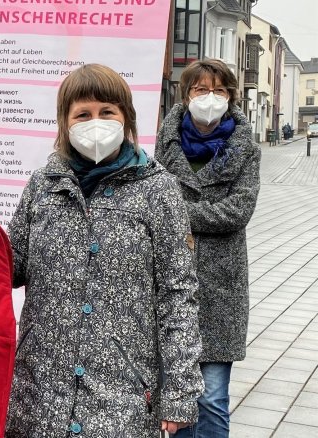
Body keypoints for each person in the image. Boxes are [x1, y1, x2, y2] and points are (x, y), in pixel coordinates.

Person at [0, 64, 204, 437]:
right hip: (39, 390)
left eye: (107, 111)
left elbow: (178, 295)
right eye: (83, 114)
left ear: (126, 118)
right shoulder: (43, 185)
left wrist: (180, 392)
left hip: (122, 391)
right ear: (65, 123)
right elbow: (16, 269)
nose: (96, 122)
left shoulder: (160, 190)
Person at [155, 59, 261, 438]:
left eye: (219, 90)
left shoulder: (245, 147)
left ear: (231, 96)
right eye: (201, 90)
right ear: (186, 95)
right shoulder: (164, 144)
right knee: (179, 398)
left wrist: (176, 213)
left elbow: (237, 211)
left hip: (221, 287)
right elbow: (152, 205)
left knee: (213, 398)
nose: (210, 98)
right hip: (172, 282)